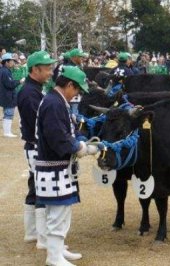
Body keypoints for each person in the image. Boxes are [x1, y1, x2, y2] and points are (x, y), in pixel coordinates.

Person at [35, 66, 98, 266]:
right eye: (77, 90)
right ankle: (53, 257)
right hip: (53, 167)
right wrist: (80, 147)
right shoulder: (54, 104)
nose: (77, 94)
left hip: (59, 167)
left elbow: (65, 132)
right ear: (69, 84)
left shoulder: (57, 101)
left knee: (62, 211)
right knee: (57, 213)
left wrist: (79, 138)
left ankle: (58, 250)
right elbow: (58, 138)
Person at [17, 51, 57, 250]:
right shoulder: (30, 93)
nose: (50, 72)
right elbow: (37, 125)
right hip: (36, 147)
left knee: (34, 187)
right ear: (35, 69)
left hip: (33, 146)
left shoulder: (34, 90)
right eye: (47, 68)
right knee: (42, 191)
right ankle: (42, 238)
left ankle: (32, 233)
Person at [0, 53, 25, 137]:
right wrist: (20, 81)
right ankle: (7, 132)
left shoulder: (3, 70)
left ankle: (7, 132)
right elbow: (10, 84)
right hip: (8, 96)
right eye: (11, 61)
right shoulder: (5, 72)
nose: (13, 63)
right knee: (9, 114)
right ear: (6, 62)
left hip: (5, 95)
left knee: (7, 113)